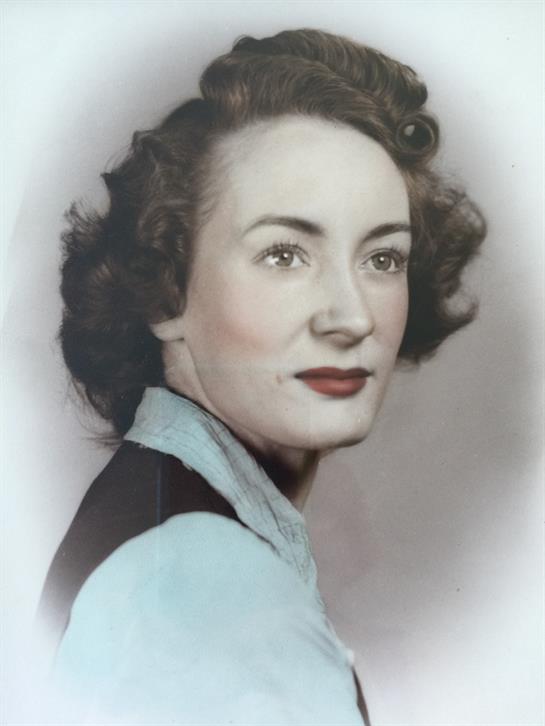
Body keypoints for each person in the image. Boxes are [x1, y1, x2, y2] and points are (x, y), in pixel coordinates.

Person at [38, 28, 486, 725]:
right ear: (165, 293)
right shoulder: (204, 581)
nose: (352, 318)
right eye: (283, 254)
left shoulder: (161, 526)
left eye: (382, 259)